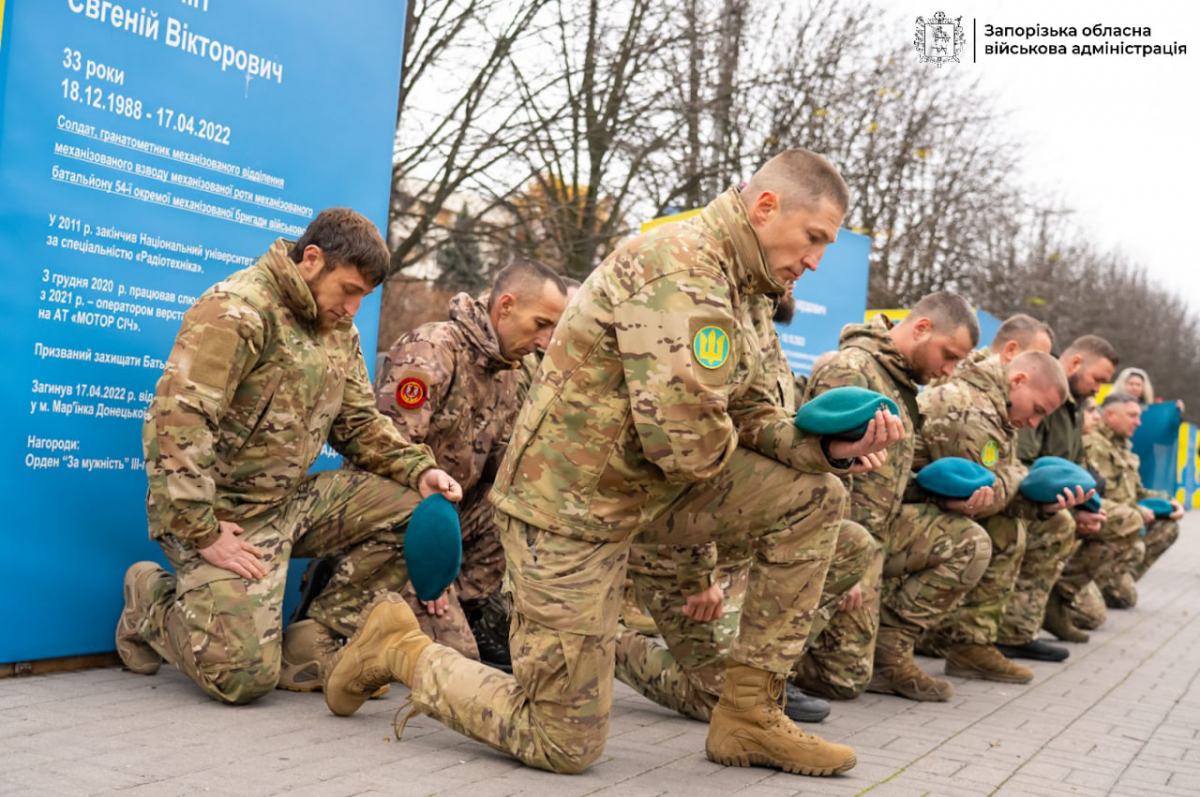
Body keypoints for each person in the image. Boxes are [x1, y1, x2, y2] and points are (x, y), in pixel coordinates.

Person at [323, 149, 904, 776]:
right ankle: (399, 647)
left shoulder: (751, 290)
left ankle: (748, 717)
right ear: (766, 207)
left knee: (817, 495)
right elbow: (688, 446)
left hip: (648, 497)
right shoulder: (679, 269)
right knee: (564, 743)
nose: (815, 259)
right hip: (568, 512)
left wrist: (824, 450)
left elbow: (756, 415)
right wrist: (728, 526)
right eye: (813, 237)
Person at [114, 208, 463, 705]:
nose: (353, 308)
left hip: (287, 502)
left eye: (363, 296)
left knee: (416, 508)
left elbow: (359, 425)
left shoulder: (339, 330)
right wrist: (202, 530)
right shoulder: (237, 309)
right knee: (240, 679)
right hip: (219, 514)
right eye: (349, 290)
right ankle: (149, 600)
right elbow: (176, 424)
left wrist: (420, 469)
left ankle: (313, 640)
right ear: (312, 260)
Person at [283, 260, 568, 685]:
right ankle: (335, 595)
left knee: (514, 506)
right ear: (506, 306)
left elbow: (500, 470)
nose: (545, 340)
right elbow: (385, 461)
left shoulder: (506, 372)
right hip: (405, 523)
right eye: (541, 323)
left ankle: (455, 605)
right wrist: (429, 561)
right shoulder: (432, 350)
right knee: (454, 662)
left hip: (445, 527)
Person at [614, 286, 875, 726]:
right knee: (716, 703)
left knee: (853, 543)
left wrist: (839, 453)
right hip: (678, 549)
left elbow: (772, 448)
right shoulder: (707, 328)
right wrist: (698, 575)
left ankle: (768, 673)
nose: (804, 272)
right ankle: (608, 643)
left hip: (740, 543)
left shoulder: (769, 348)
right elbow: (681, 466)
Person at [792, 292, 993, 704]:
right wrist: (840, 560)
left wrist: (945, 500)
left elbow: (884, 476)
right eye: (949, 355)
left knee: (968, 541)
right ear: (921, 329)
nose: (949, 371)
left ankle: (889, 653)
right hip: (839, 535)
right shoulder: (851, 369)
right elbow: (817, 469)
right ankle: (768, 664)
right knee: (843, 680)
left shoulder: (900, 384)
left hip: (881, 531)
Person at [916, 351, 1078, 684]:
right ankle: (953, 639)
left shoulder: (997, 410)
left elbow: (997, 485)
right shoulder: (969, 408)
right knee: (1003, 529)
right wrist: (1021, 475)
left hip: (931, 513)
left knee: (1047, 523)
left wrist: (1043, 505)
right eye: (1036, 411)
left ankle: (975, 640)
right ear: (1017, 381)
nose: (1034, 424)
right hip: (911, 514)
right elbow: (975, 494)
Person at [1016, 335, 1120, 644]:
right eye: (1097, 379)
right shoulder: (1047, 397)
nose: (1099, 389)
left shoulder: (1074, 408)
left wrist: (1085, 507)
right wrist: (1070, 508)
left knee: (1113, 519)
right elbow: (1027, 464)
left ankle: (1054, 603)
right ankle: (1016, 626)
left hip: (1057, 500)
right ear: (1075, 363)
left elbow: (1076, 468)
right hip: (1030, 499)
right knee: (1061, 525)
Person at [1084, 392, 1185, 591]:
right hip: (1101, 522)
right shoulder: (1095, 445)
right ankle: (1098, 583)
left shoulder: (1122, 447)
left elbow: (1137, 492)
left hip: (1124, 519)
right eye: (1132, 416)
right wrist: (1137, 511)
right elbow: (1100, 496)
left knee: (1168, 527)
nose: (1138, 422)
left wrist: (1169, 502)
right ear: (1111, 415)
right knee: (1114, 602)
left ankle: (1116, 580)